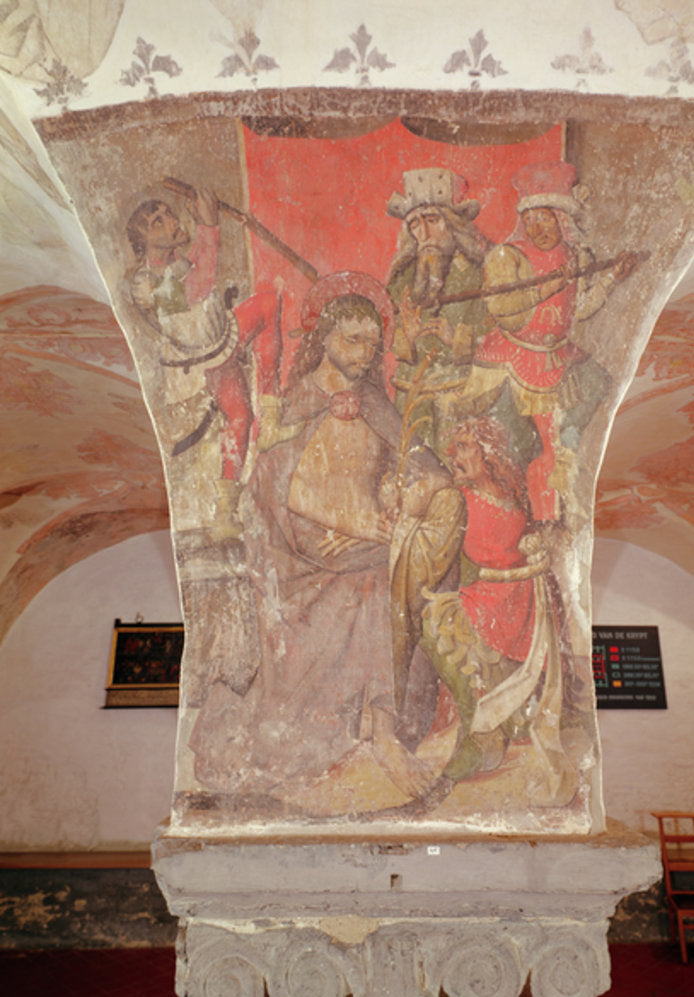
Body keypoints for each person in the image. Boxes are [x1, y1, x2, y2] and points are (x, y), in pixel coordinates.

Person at [188, 272, 466, 805]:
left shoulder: (372, 399)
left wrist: (416, 489)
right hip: (298, 549)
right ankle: (380, 735)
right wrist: (349, 526)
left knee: (397, 565)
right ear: (323, 339)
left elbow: (415, 459)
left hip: (360, 538)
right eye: (351, 340)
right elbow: (276, 485)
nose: (362, 354)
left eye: (370, 343)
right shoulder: (295, 403)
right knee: (375, 575)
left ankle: (386, 727)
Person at [459, 162, 638, 521]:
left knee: (596, 380)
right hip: (507, 359)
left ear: (561, 219)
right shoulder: (507, 257)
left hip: (553, 355)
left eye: (546, 218)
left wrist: (610, 281)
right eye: (532, 219)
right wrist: (547, 288)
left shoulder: (574, 256)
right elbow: (502, 309)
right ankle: (506, 513)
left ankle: (568, 450)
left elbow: (578, 310)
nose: (538, 227)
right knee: (512, 444)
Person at [420, 417, 577, 804]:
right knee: (443, 637)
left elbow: (531, 534)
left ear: (488, 453)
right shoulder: (456, 499)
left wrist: (539, 546)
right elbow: (436, 548)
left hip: (525, 600)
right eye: (454, 448)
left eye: (466, 447)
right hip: (484, 598)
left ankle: (504, 733)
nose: (455, 456)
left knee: (532, 684)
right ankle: (475, 741)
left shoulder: (514, 494)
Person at [126, 187, 284, 532]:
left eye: (168, 213)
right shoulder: (145, 282)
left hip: (219, 334)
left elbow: (192, 265)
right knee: (239, 418)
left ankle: (271, 420)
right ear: (145, 242)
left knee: (269, 305)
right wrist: (208, 228)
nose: (170, 220)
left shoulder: (172, 262)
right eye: (158, 221)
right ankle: (225, 514)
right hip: (201, 362)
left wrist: (199, 224)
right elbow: (196, 286)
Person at [386, 167, 491, 455]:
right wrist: (406, 338)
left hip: (460, 397)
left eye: (433, 220)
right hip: (412, 397)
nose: (425, 233)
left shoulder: (480, 272)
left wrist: (457, 338)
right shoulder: (402, 278)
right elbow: (390, 337)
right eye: (415, 225)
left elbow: (498, 335)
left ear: (453, 223)